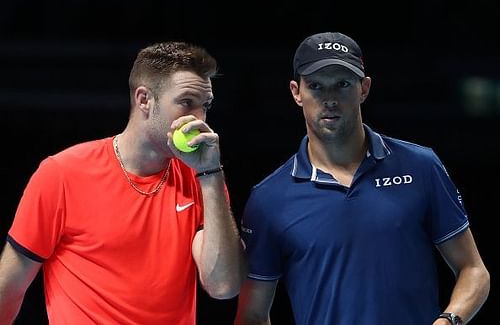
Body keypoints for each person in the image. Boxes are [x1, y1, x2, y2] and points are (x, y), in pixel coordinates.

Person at [234, 32, 490, 325]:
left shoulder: (420, 166)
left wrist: (448, 321)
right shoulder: (269, 198)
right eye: (316, 86)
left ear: (364, 88)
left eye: (342, 84)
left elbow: (473, 270)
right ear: (296, 92)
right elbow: (252, 315)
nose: (329, 99)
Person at [0, 41, 246, 324]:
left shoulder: (202, 178)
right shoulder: (61, 174)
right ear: (144, 100)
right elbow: (9, 288)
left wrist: (212, 175)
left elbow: (223, 287)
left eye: (206, 106)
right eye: (186, 103)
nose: (200, 119)